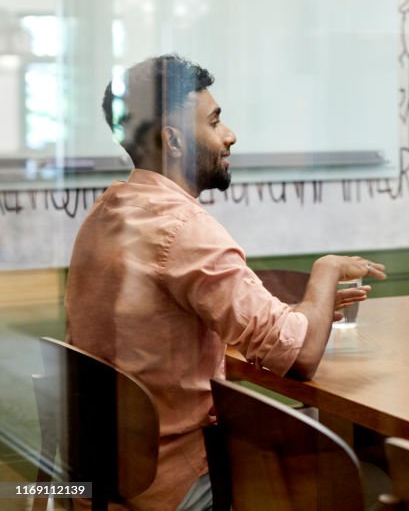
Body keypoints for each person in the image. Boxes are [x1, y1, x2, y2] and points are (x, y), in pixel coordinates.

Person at [64, 54, 387, 510]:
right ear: (173, 140)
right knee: (367, 469)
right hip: (174, 485)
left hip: (103, 481)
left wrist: (303, 315)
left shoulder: (105, 213)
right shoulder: (184, 230)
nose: (230, 135)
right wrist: (325, 272)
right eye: (215, 122)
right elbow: (301, 357)